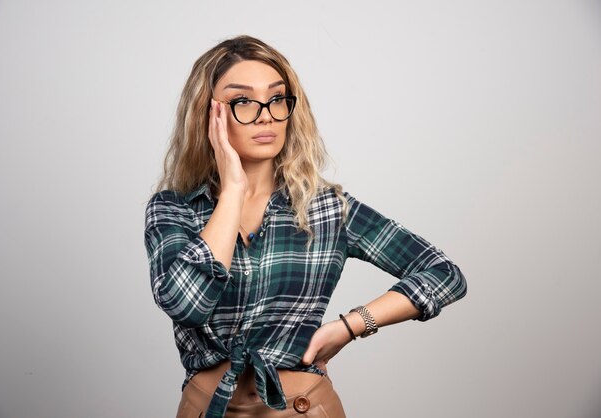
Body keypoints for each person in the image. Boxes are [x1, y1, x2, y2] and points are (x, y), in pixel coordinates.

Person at [143, 35, 468, 418]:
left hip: (304, 408)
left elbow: (444, 275)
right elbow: (187, 305)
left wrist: (351, 326)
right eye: (243, 101)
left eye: (277, 98)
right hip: (207, 408)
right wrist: (232, 190)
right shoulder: (173, 210)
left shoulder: (327, 209)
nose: (265, 114)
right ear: (208, 115)